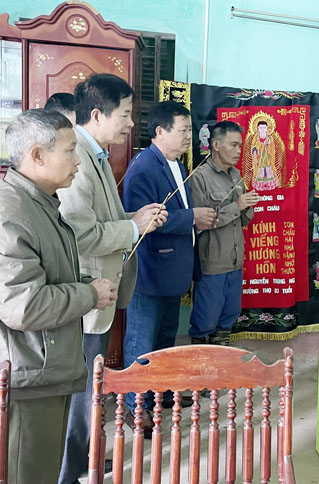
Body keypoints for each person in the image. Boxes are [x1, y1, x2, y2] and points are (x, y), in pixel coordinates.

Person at [55, 73, 167, 484]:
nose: (131, 123)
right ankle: (68, 472)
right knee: (79, 394)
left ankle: (85, 459)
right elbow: (81, 234)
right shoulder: (78, 160)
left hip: (101, 294)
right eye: (125, 114)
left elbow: (105, 219)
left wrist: (135, 219)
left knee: (91, 390)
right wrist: (134, 227)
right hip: (86, 297)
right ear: (98, 115)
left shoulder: (96, 154)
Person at [0, 109, 118, 484]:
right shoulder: (11, 213)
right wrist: (88, 294)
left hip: (47, 366)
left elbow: (48, 273)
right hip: (28, 375)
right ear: (37, 155)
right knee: (28, 473)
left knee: (45, 468)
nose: (78, 161)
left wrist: (83, 283)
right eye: (69, 151)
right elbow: (23, 305)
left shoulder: (40, 203)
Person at [122, 101, 216, 435]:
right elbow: (142, 219)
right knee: (142, 342)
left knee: (163, 340)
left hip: (173, 270)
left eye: (190, 130)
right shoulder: (144, 167)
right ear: (160, 131)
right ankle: (135, 407)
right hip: (150, 271)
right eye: (183, 130)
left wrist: (193, 217)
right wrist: (192, 217)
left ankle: (158, 394)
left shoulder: (176, 163)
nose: (190, 136)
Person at [189, 121, 259, 344]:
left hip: (235, 260)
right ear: (216, 145)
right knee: (205, 322)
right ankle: (200, 361)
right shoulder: (200, 177)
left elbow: (243, 220)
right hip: (213, 262)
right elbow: (200, 221)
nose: (239, 151)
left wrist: (247, 207)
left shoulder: (236, 175)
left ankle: (222, 357)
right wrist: (237, 206)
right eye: (234, 145)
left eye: (240, 146)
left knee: (227, 322)